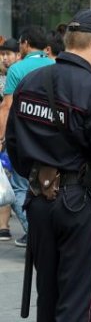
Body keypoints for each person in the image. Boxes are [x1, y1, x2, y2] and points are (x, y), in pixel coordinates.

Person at [5, 9, 91, 321]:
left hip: (39, 200)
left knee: (48, 297)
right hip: (82, 204)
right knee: (82, 301)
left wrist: (42, 177)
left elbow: (14, 144)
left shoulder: (29, 81)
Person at [0, 26, 55, 248]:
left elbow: (7, 107)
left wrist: (1, 138)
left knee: (20, 186)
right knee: (50, 187)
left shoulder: (17, 69)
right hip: (53, 140)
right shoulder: (56, 65)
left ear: (25, 44)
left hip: (24, 139)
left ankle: (36, 234)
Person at [0, 37, 20, 242]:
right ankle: (4, 227)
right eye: (2, 54)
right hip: (5, 137)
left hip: (15, 136)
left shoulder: (19, 75)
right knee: (4, 180)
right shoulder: (1, 78)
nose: (5, 58)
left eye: (8, 54)